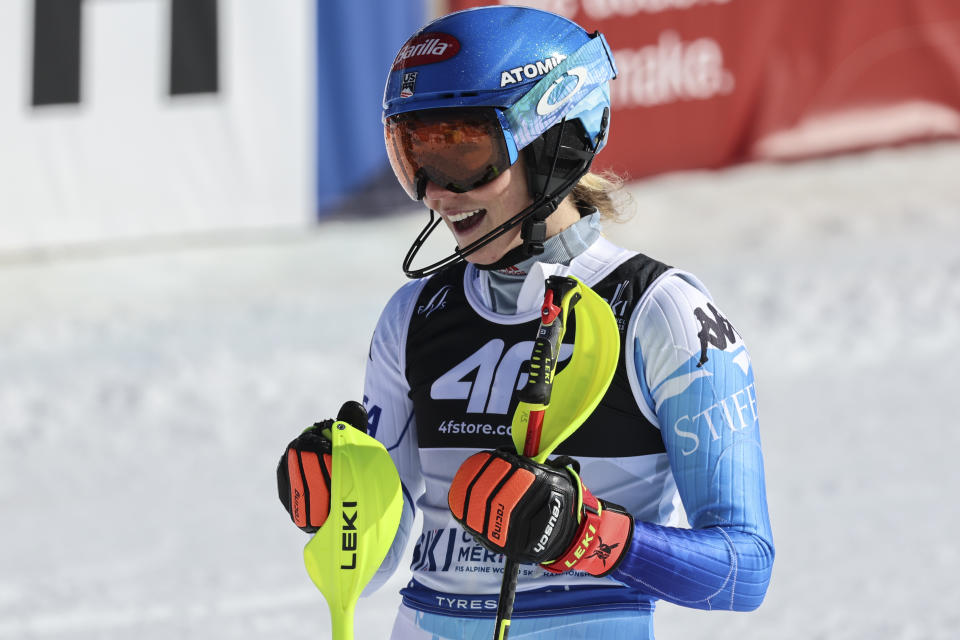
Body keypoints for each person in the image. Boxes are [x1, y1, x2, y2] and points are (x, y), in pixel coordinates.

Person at [277, 6, 774, 639]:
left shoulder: (662, 312)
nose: (434, 192)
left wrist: (589, 537)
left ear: (554, 145)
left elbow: (745, 571)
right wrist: (340, 504)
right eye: (413, 153)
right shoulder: (414, 316)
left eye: (461, 154)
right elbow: (372, 566)